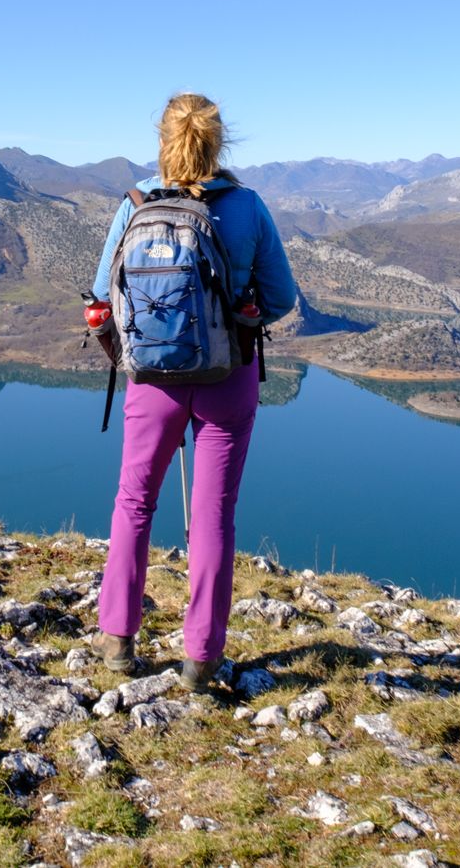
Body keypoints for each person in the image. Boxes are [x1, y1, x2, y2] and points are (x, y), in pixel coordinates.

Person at [89, 93, 297, 691]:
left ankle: (117, 638)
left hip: (151, 379)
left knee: (134, 502)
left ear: (163, 139)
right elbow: (281, 299)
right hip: (227, 378)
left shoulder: (134, 205)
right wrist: (244, 309)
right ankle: (201, 657)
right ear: (219, 142)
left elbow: (104, 294)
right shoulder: (248, 206)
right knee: (212, 516)